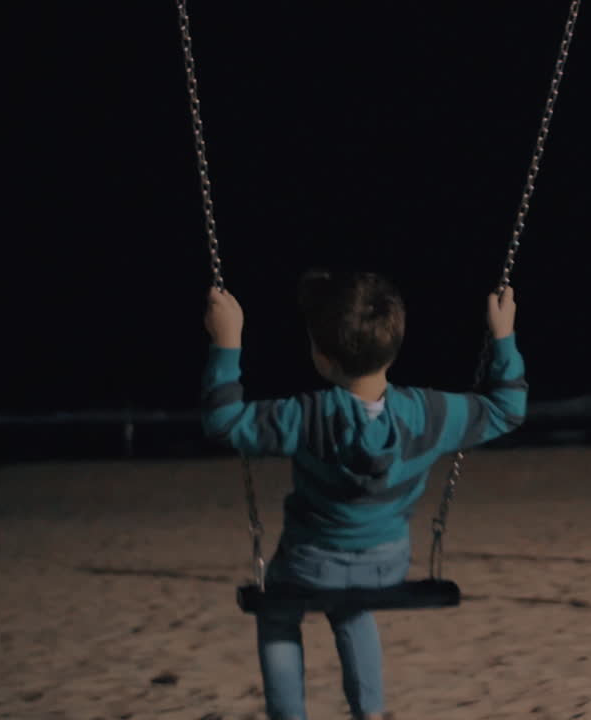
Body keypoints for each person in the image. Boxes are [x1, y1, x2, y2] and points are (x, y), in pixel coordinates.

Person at [201, 270, 526, 720]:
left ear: (321, 356)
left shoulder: (306, 416)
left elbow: (224, 422)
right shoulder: (431, 414)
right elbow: (509, 410)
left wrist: (227, 342)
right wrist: (503, 336)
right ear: (395, 343)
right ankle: (369, 712)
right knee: (352, 607)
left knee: (277, 614)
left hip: (308, 562)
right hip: (385, 563)